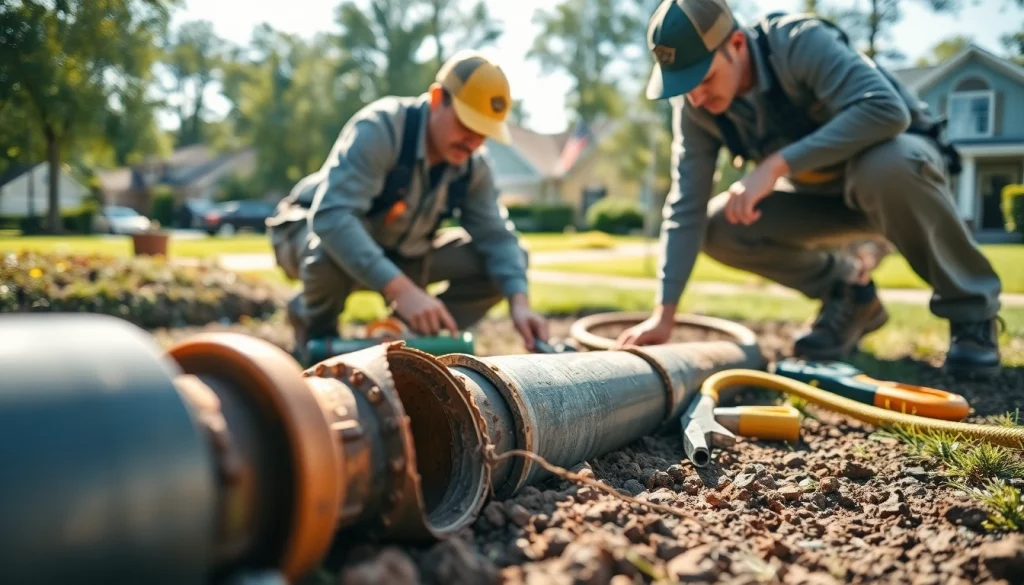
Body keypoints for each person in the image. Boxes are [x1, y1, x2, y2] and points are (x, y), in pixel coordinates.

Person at [615, 0, 1003, 377]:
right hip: (824, 202)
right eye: (683, 85)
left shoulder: (799, 42)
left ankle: (972, 315)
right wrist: (664, 314)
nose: (695, 96)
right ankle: (851, 297)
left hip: (901, 180)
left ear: (735, 45)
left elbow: (886, 110)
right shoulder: (697, 107)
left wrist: (776, 166)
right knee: (720, 227)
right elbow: (686, 204)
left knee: (885, 166)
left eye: (703, 77)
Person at [267, 51, 549, 353]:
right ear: (438, 98)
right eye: (467, 124)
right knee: (326, 253)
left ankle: (414, 334)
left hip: (402, 249)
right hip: (310, 231)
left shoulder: (473, 166)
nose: (473, 142)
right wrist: (402, 290)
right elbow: (331, 218)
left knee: (508, 261)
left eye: (483, 133)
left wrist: (520, 303)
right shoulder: (381, 128)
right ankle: (316, 333)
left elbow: (497, 238)